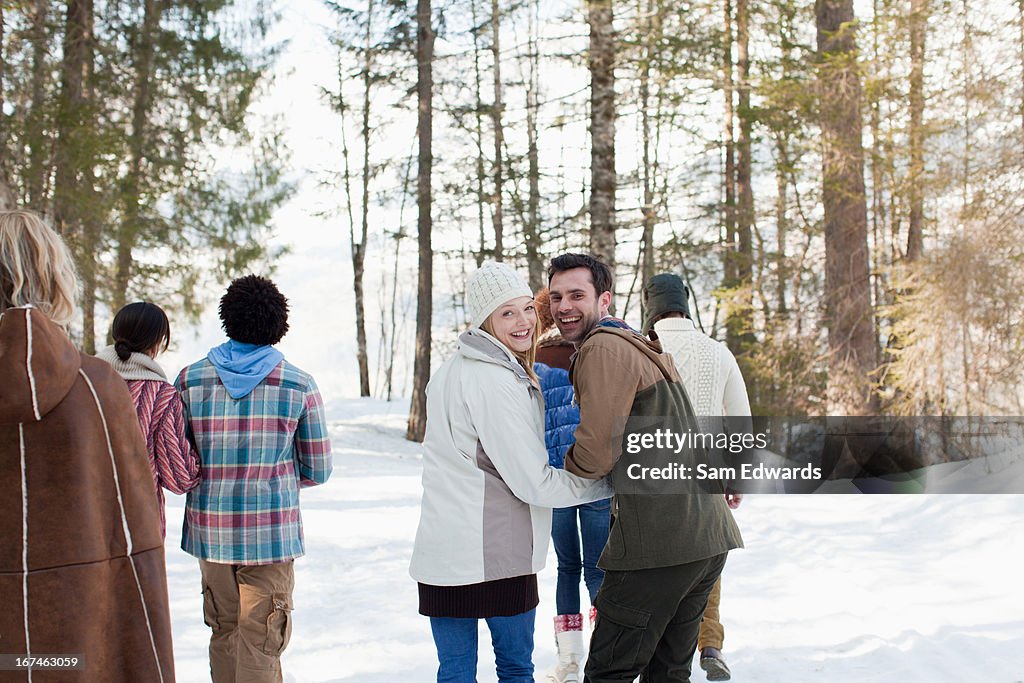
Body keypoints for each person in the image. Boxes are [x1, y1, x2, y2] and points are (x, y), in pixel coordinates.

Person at [410, 261, 613, 683]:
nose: (524, 322)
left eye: (526, 308)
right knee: (516, 669)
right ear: (485, 319)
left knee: (454, 672)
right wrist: (603, 483)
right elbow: (534, 482)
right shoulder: (496, 380)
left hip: (442, 552)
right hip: (495, 553)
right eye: (507, 313)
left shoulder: (450, 371)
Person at [548, 253, 744, 683]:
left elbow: (596, 452)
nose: (564, 306)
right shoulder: (638, 342)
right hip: (707, 538)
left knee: (609, 672)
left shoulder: (602, 346)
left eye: (577, 295)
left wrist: (559, 473)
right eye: (557, 296)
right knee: (669, 672)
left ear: (604, 300)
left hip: (659, 542)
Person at [0, 209, 176, 681]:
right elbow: (133, 552)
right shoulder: (98, 390)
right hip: (75, 645)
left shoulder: (107, 383)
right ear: (57, 279)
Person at [175, 274, 332, 683]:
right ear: (278, 324)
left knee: (224, 630)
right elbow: (319, 467)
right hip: (271, 536)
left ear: (228, 318)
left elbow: (179, 457)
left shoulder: (190, 380)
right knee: (262, 639)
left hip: (210, 533)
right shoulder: (298, 383)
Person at [642, 273, 751, 682]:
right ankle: (710, 644)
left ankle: (659, 654)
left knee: (656, 575)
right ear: (686, 304)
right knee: (706, 564)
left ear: (649, 304)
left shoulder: (641, 348)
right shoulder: (718, 352)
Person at [534, 288, 611, 683]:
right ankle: (606, 656)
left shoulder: (532, 364)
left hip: (555, 482)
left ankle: (567, 659)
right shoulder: (593, 353)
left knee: (567, 568)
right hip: (595, 481)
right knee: (598, 570)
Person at [97, 301, 201, 536]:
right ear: (156, 344)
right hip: (137, 528)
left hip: (80, 520)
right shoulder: (161, 396)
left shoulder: (81, 383)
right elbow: (179, 477)